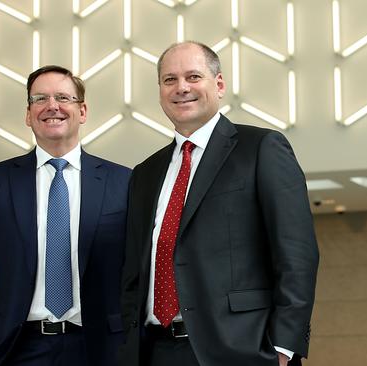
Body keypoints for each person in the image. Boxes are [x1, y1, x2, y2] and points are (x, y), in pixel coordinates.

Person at [119, 41, 319, 366]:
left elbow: (296, 254)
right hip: (156, 351)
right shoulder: (145, 173)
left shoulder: (261, 149)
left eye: (193, 76)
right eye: (170, 80)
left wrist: (284, 346)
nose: (181, 87)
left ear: (220, 84)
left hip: (243, 350)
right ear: (160, 91)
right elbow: (133, 273)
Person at [0, 65, 131, 366]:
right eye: (40, 99)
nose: (52, 106)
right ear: (28, 114)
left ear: (82, 111)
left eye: (63, 97)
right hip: (14, 350)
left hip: (99, 349)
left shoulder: (123, 182)